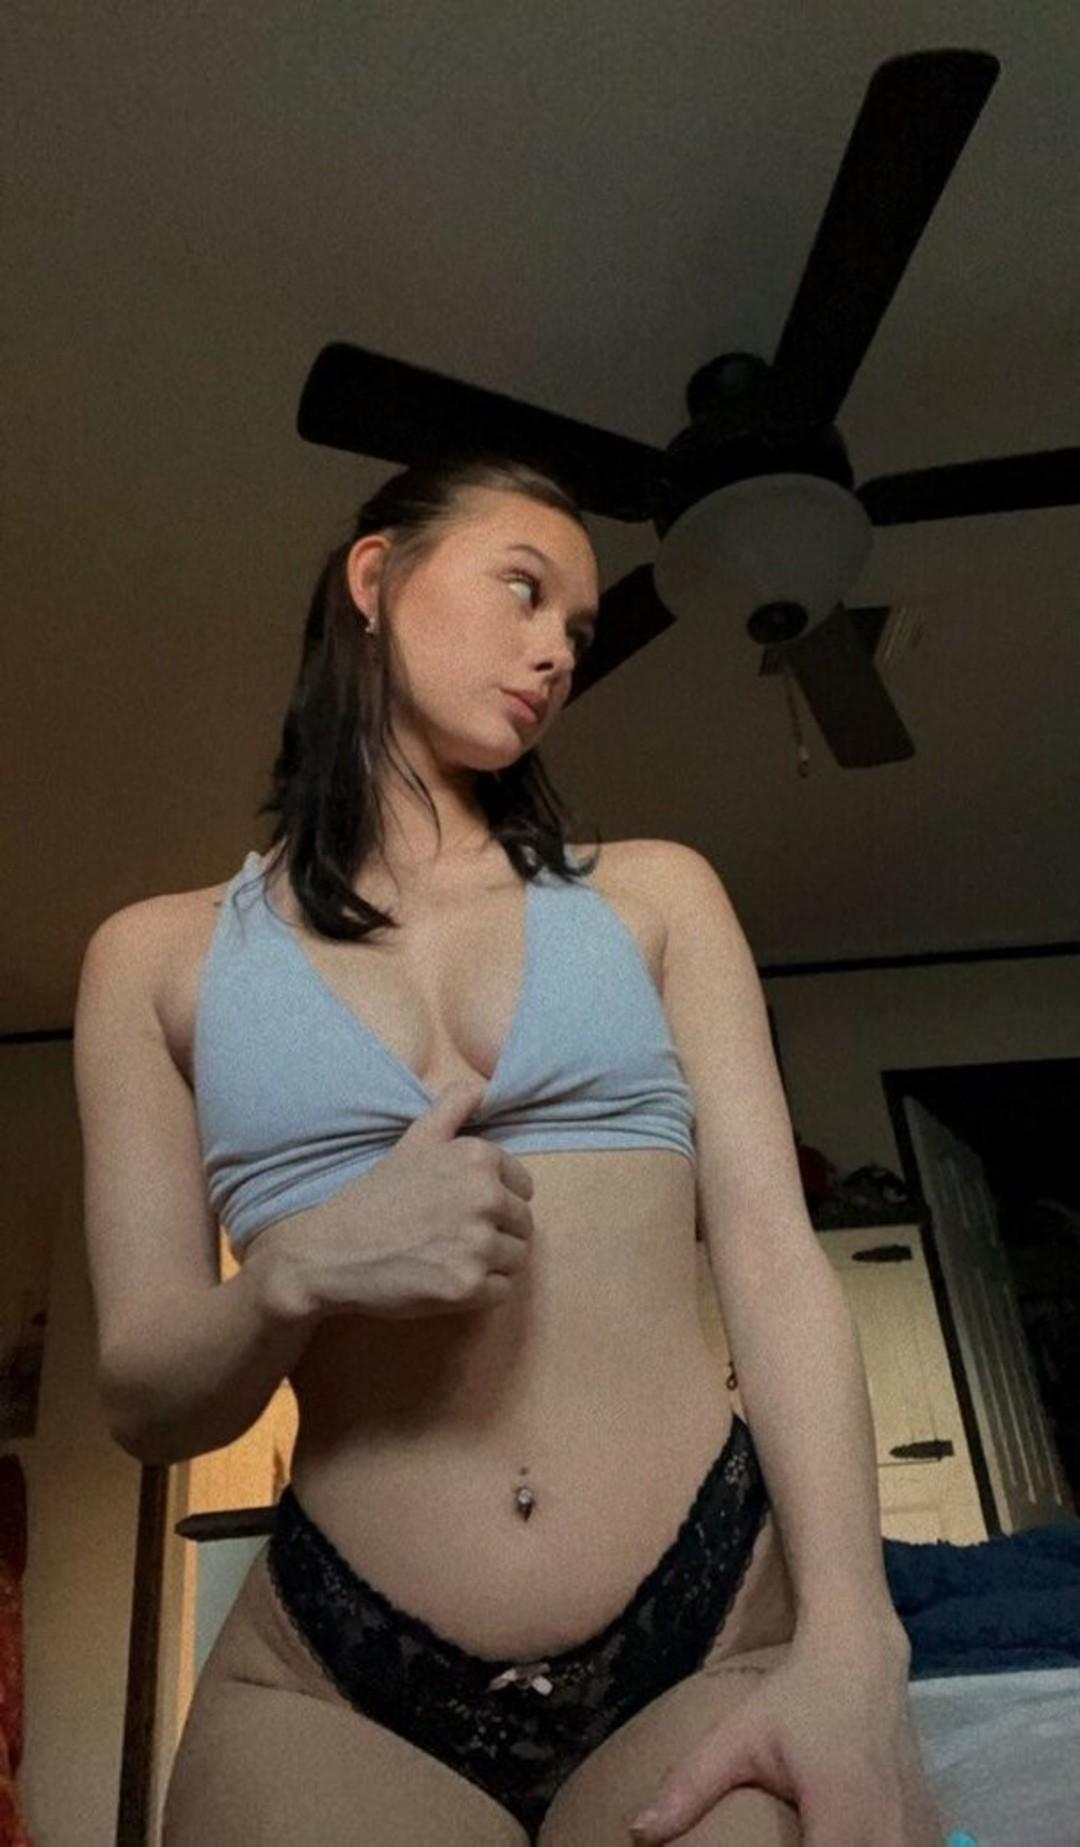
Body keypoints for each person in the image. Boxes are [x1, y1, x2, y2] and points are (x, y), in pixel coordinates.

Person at [73, 454, 943, 1844]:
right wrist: (292, 1271)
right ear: (376, 579)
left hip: (710, 1621)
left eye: (579, 633)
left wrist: (854, 1636)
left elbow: (778, 1269)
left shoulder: (659, 897)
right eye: (525, 591)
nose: (558, 654)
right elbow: (147, 1400)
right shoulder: (152, 961)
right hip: (342, 1685)